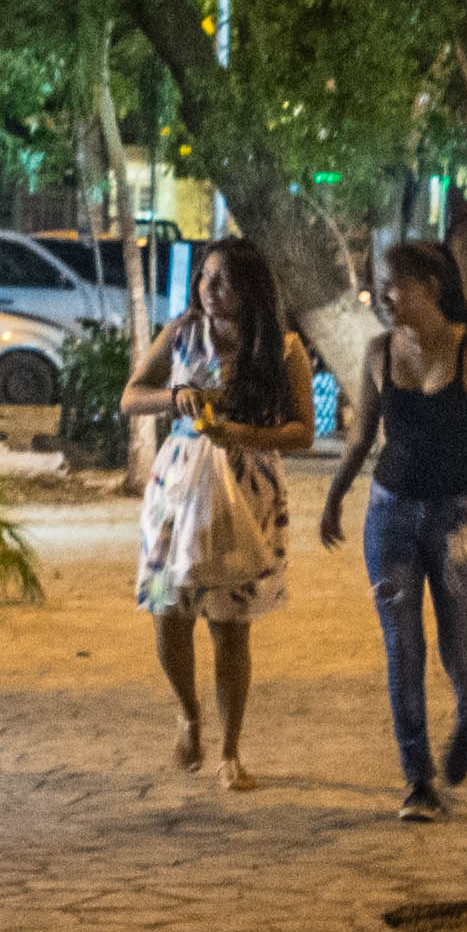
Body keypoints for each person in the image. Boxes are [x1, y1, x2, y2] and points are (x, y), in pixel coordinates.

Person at [317, 238, 467, 820]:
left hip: (457, 518)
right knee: (402, 646)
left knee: (459, 645)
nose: (385, 295)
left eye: (394, 283)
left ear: (430, 287)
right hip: (389, 514)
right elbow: (362, 436)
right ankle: (419, 778)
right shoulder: (378, 352)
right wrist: (335, 499)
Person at [131, 241, 316, 784]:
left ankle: (231, 751)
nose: (210, 289)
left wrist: (240, 433)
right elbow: (132, 396)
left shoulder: (282, 349)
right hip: (176, 492)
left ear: (252, 289)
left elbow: (303, 431)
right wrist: (176, 397)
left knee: (230, 625)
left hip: (248, 492)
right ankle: (189, 716)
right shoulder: (181, 334)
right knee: (167, 610)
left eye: (225, 280)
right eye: (206, 277)